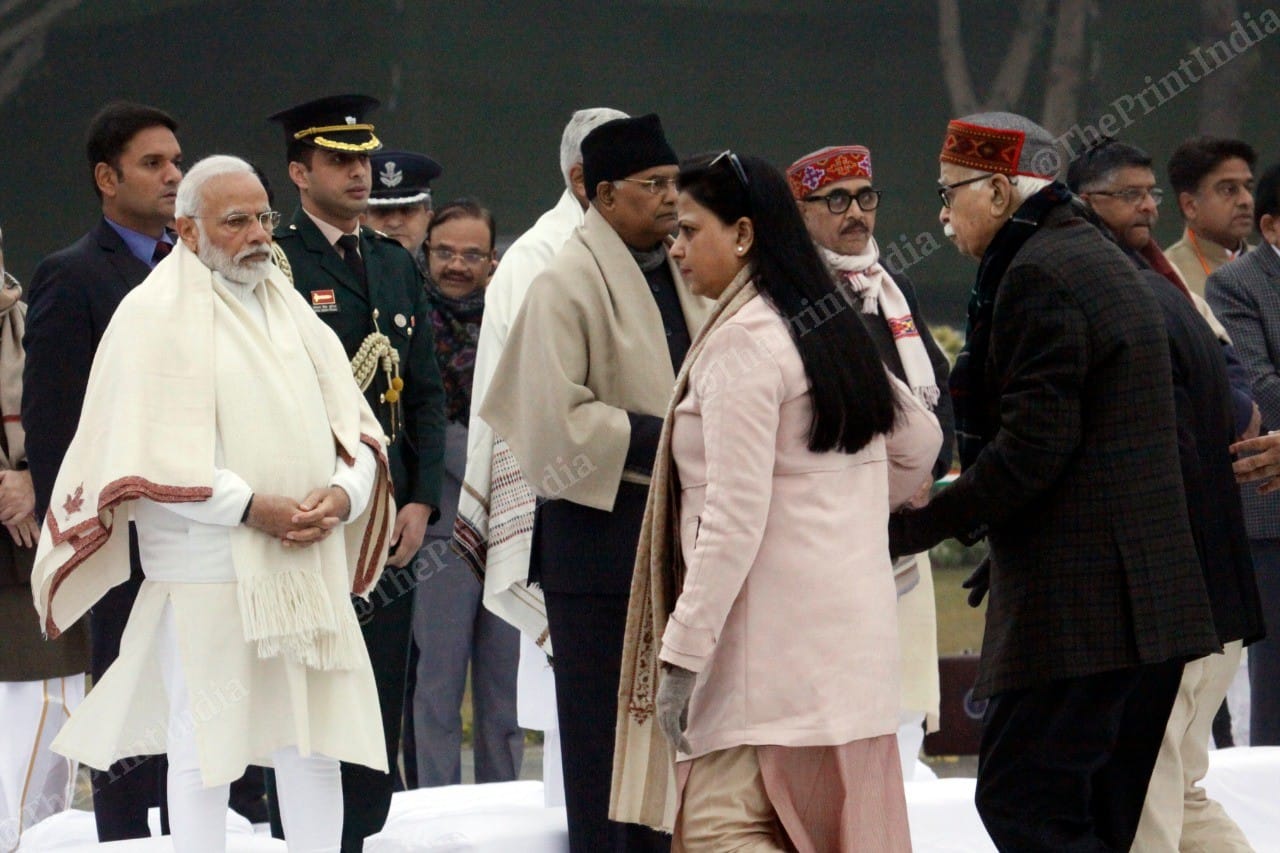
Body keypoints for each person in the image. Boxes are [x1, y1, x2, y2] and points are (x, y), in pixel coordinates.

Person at [30, 155, 395, 853]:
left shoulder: (288, 304)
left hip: (304, 562)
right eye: (236, 221)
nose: (258, 234)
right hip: (207, 572)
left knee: (313, 745)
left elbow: (358, 426)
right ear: (188, 231)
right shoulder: (151, 316)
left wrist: (343, 496)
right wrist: (252, 506)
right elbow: (146, 449)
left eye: (264, 217)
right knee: (203, 751)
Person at [889, 112, 1218, 851]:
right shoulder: (1088, 256)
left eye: (950, 194)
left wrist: (917, 522)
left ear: (1001, 190)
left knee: (1022, 801)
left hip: (1088, 611)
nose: (942, 216)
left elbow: (1034, 448)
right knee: (1091, 816)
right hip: (1139, 604)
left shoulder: (1041, 271)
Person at [611, 150, 939, 851]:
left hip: (767, 668)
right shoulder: (829, 325)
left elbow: (730, 522)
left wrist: (681, 657)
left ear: (743, 235)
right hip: (853, 652)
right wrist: (841, 510)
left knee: (715, 830)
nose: (676, 247)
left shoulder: (741, 346)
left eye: (689, 229)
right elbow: (923, 440)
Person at [480, 113, 709, 852]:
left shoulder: (685, 270)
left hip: (678, 537)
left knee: (680, 731)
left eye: (677, 183)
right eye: (655, 186)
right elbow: (551, 423)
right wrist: (675, 432)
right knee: (604, 743)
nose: (672, 199)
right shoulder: (564, 282)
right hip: (599, 549)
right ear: (604, 194)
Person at [1069, 143, 1264, 853]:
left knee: (1149, 786)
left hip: (1180, 581)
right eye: (1129, 195)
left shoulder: (1146, 288)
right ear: (1083, 203)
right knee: (1173, 783)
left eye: (1149, 193)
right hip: (1199, 578)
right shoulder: (1158, 282)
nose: (1145, 207)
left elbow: (1234, 394)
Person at [269, 94, 446, 849]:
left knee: (381, 680)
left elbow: (427, 389)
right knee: (316, 690)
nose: (358, 172)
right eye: (339, 160)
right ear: (298, 172)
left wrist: (422, 502)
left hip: (390, 515)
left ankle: (364, 826)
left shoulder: (392, 260)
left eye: (363, 158)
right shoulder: (277, 260)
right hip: (321, 510)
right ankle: (306, 831)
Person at [452, 106, 627, 808]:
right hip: (561, 510)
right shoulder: (537, 258)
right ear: (583, 178)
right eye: (635, 177)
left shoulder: (631, 247)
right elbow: (527, 406)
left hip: (626, 501)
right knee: (573, 712)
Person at [21, 100, 181, 841]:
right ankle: (125, 838)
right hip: (122, 536)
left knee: (201, 700)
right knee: (127, 701)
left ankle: (204, 830)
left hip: (205, 527)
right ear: (105, 178)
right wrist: (88, 532)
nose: (173, 175)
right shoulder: (73, 275)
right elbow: (55, 426)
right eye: (153, 163)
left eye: (177, 161)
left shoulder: (199, 269)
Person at [788, 143, 953, 778]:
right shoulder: (794, 297)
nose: (855, 213)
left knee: (903, 698)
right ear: (801, 213)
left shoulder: (894, 288)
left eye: (865, 197)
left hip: (902, 533)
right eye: (836, 200)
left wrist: (929, 474)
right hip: (829, 527)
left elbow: (940, 395)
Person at [410, 198, 521, 788]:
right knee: (438, 686)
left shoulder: (513, 322)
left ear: (493, 261)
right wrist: (490, 466)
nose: (456, 264)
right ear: (427, 252)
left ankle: (504, 807)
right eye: (445, 251)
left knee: (504, 692)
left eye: (471, 254)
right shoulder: (405, 322)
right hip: (441, 533)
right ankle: (435, 812)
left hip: (509, 530)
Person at [0, 226, 88, 851]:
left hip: (32, 548)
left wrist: (34, 478)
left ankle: (27, 841)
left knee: (46, 708)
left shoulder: (37, 319)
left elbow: (79, 407)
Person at [1208, 163, 1280, 751]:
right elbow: (1260, 386)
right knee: (1275, 682)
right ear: (1272, 226)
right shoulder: (1237, 285)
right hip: (1272, 510)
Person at [1165, 136, 1257, 296]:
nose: (1247, 200)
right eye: (1229, 190)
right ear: (1190, 206)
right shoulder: (1166, 274)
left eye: (1248, 188)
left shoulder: (1272, 264)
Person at [364, 149, 443, 274]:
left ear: (428, 219)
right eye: (382, 212)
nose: (394, 223)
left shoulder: (446, 276)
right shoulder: (344, 274)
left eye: (408, 210)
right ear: (361, 220)